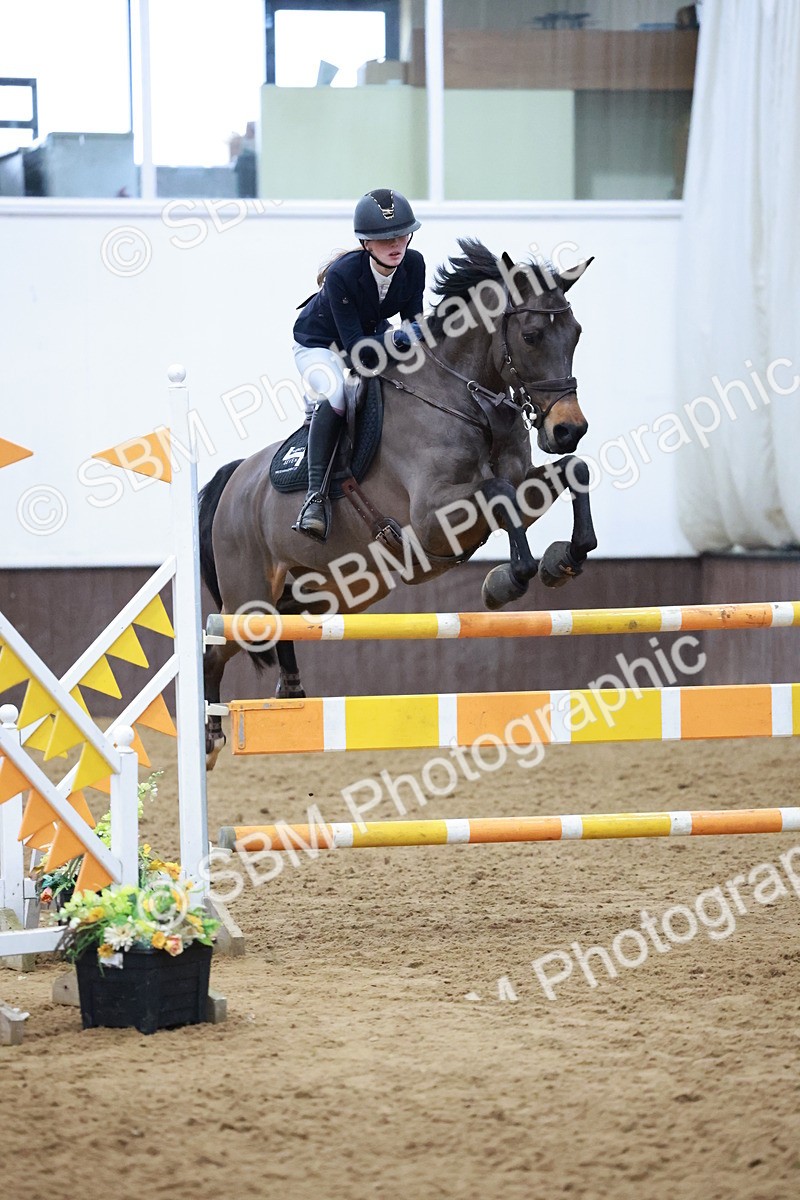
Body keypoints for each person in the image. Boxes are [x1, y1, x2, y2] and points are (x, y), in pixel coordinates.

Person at [292, 188, 425, 542]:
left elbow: (414, 323)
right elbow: (353, 351)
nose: (396, 244)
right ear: (366, 243)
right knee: (336, 394)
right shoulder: (343, 274)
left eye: (401, 235)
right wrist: (399, 338)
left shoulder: (414, 264)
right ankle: (314, 499)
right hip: (320, 345)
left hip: (370, 335)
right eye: (385, 239)